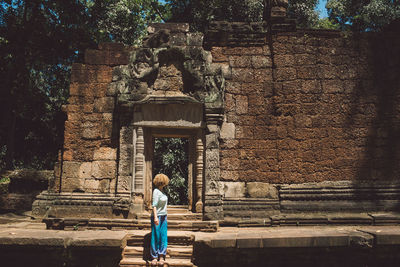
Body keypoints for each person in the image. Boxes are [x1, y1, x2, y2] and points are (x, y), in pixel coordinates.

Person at [150, 173, 169, 266]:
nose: (163, 183)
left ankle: (161, 256)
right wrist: (155, 217)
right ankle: (154, 256)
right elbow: (154, 205)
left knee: (163, 236)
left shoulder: (163, 192)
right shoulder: (156, 191)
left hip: (164, 216)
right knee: (155, 236)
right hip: (157, 216)